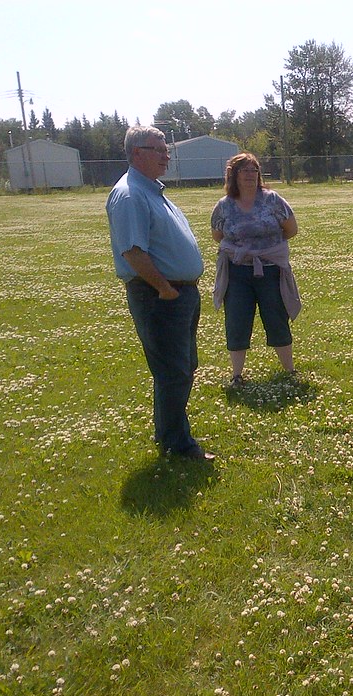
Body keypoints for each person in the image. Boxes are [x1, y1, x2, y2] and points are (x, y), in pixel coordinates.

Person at [106, 125, 214, 461]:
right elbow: (132, 252)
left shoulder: (151, 191)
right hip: (159, 297)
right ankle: (177, 445)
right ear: (137, 153)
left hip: (177, 294)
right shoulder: (130, 194)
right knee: (173, 371)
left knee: (181, 367)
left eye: (166, 148)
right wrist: (165, 289)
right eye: (159, 149)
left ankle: (169, 434)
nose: (167, 155)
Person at [211, 152, 301, 385]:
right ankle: (237, 375)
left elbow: (291, 229)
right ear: (234, 175)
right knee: (237, 321)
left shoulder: (272, 200)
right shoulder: (224, 206)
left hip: (270, 270)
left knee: (276, 317)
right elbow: (217, 235)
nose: (251, 175)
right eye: (245, 170)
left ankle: (289, 371)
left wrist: (264, 249)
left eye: (254, 170)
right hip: (237, 272)